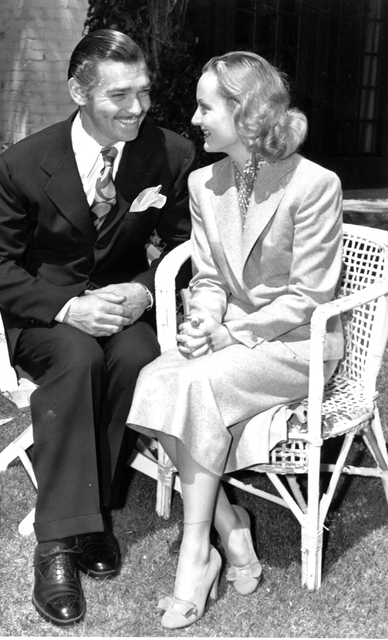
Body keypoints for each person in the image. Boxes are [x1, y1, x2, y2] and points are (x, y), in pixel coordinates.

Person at [0, 29, 195, 627]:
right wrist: (67, 308)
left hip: (121, 308)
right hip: (46, 315)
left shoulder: (165, 154)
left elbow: (185, 248)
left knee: (136, 356)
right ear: (78, 91)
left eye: (143, 93)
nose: (138, 108)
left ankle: (94, 506)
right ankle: (59, 544)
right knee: (77, 359)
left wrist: (143, 290)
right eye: (120, 95)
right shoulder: (22, 164)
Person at [127, 51, 344, 630]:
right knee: (153, 377)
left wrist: (229, 334)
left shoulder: (315, 184)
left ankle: (195, 558)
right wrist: (202, 320)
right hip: (231, 338)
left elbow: (310, 297)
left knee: (192, 384)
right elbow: (208, 278)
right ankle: (231, 528)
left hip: (299, 345)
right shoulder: (204, 181)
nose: (195, 120)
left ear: (245, 114)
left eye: (205, 107)